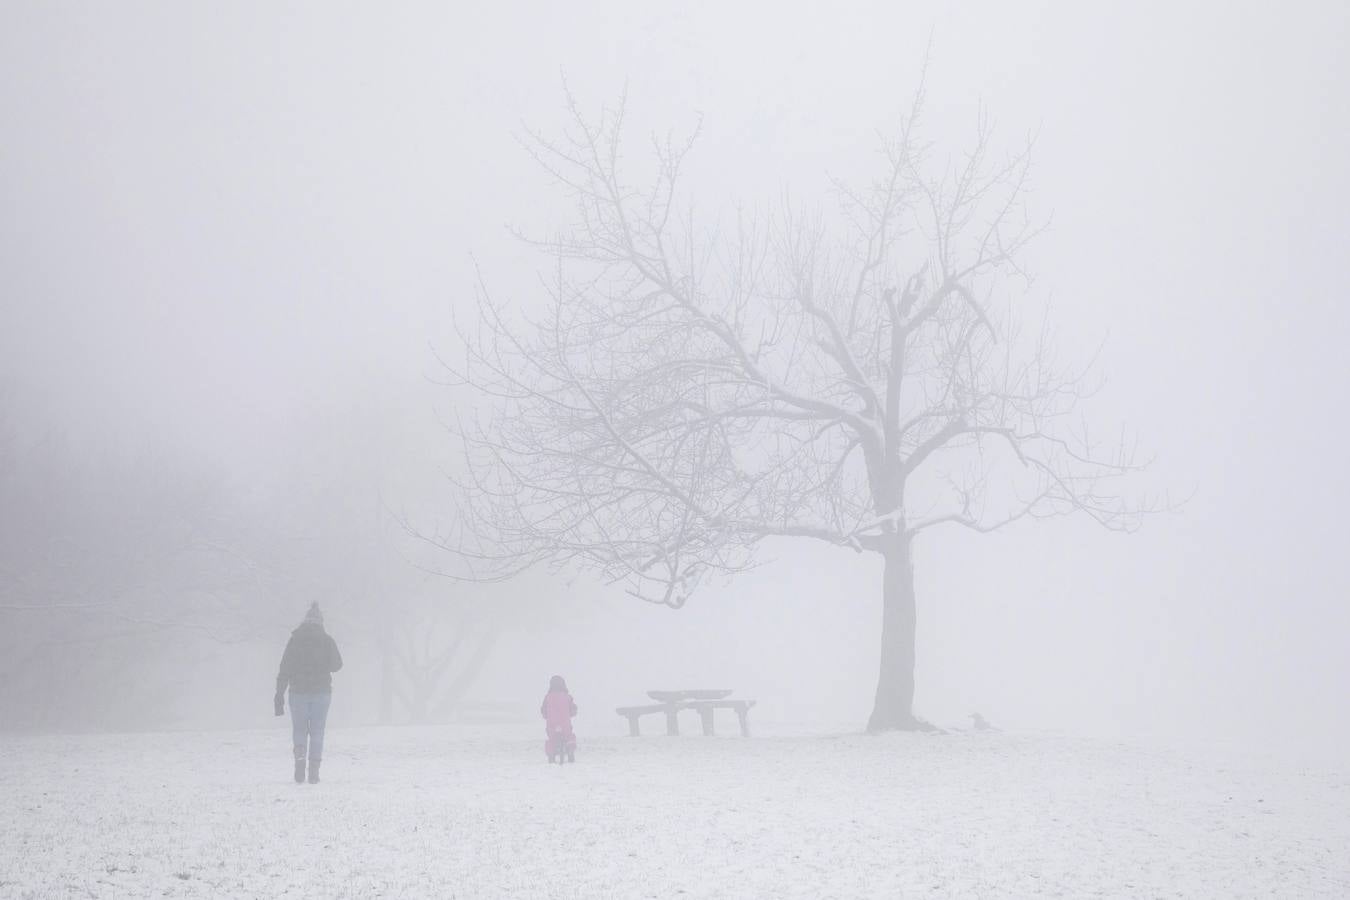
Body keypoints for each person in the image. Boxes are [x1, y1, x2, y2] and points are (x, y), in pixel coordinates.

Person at [274, 603, 343, 784]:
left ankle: (299, 763)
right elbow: (337, 665)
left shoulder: (295, 640)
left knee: (299, 730)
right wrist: (323, 664)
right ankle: (314, 772)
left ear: (304, 620)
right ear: (321, 621)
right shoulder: (327, 640)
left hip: (297, 692)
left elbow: (285, 668)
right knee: (318, 732)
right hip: (321, 692)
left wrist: (279, 694)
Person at [540, 674, 578, 764]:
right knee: (569, 736)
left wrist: (546, 716)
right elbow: (573, 709)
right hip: (565, 723)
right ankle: (570, 750)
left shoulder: (547, 697)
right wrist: (571, 714)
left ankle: (551, 755)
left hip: (552, 724)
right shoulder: (567, 697)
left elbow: (543, 710)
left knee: (551, 739)